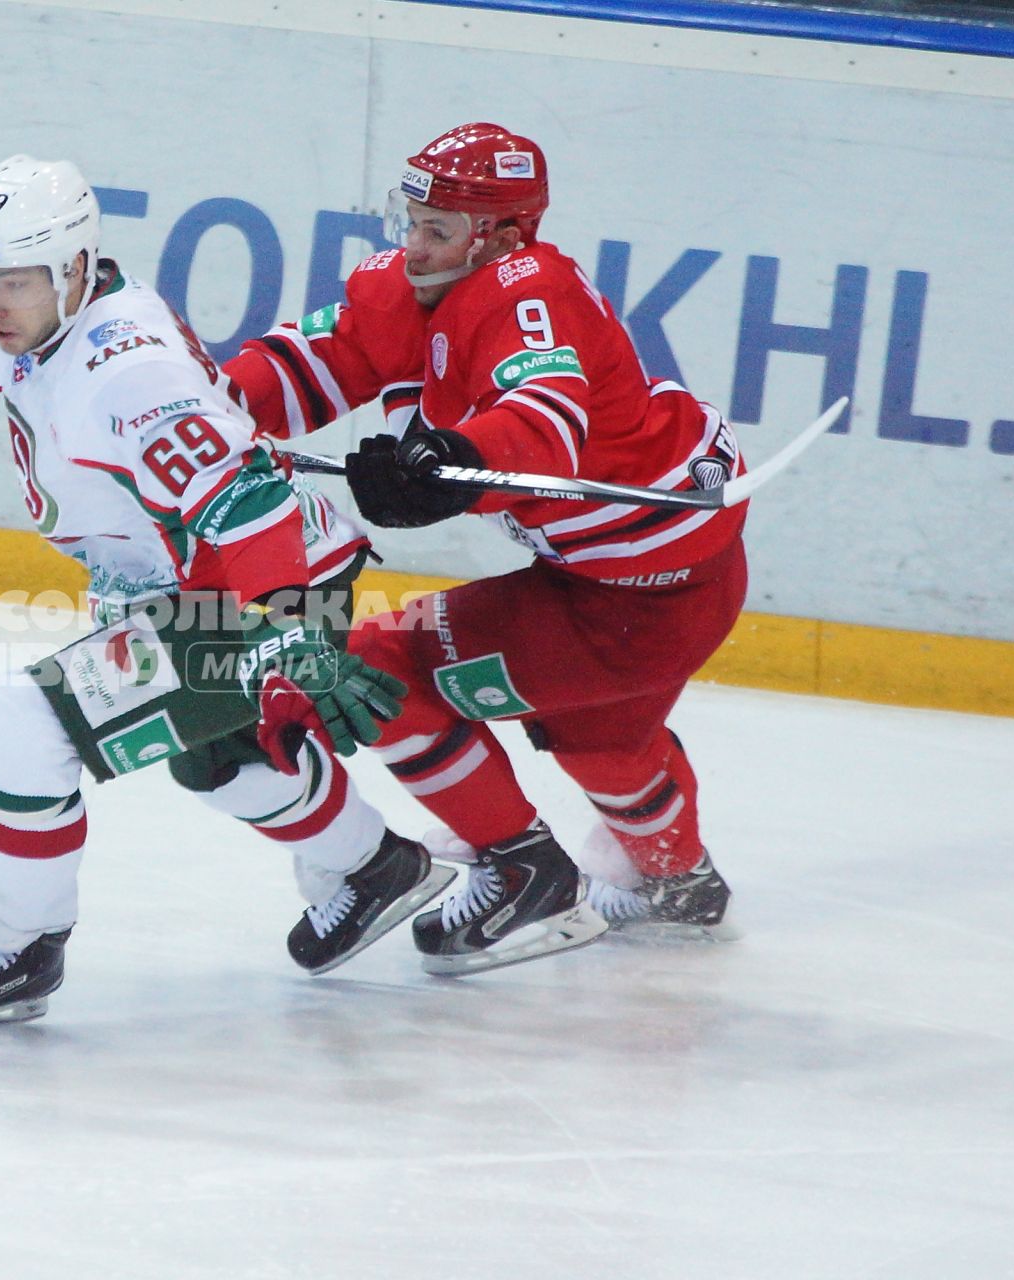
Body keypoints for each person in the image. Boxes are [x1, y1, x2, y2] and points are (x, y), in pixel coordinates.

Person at [0, 155, 455, 1025]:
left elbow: (246, 502)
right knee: (222, 760)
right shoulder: (46, 312)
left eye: (17, 281)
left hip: (252, 590)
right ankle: (379, 867)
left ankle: (22, 943)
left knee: (19, 722)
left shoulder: (133, 374)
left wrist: (291, 629)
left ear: (75, 268)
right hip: (219, 583)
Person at [225, 122, 741, 974]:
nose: (413, 247)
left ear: (503, 234)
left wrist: (455, 463)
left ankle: (524, 872)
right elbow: (314, 361)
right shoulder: (407, 288)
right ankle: (680, 885)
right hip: (630, 582)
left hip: (641, 601)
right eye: (410, 221)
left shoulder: (530, 291)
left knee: (382, 668)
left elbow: (545, 415)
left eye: (438, 230)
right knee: (602, 741)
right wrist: (195, 410)